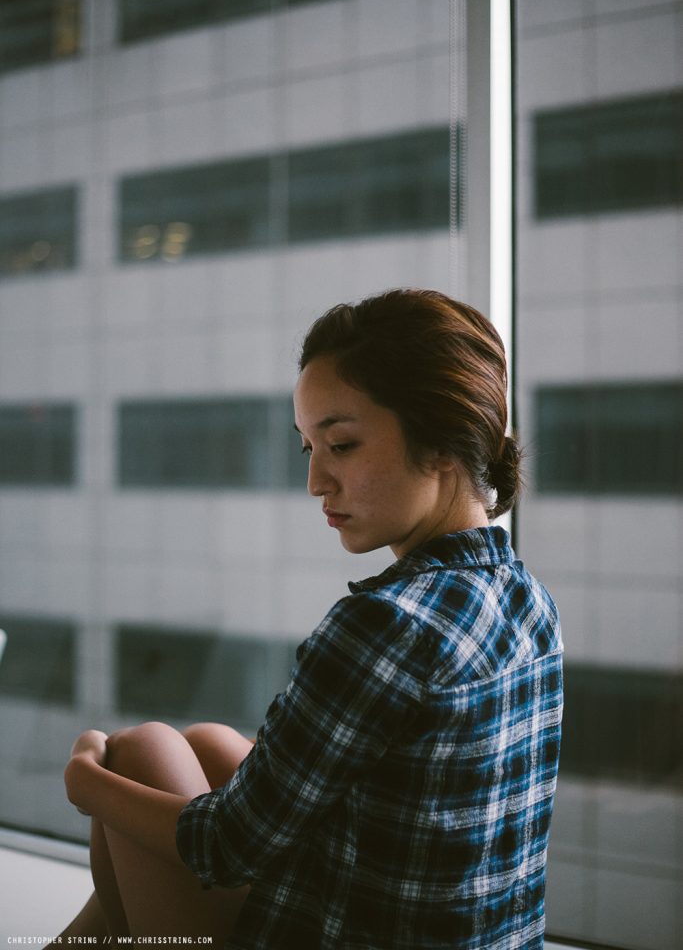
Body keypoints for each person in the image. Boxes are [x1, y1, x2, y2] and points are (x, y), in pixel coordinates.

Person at [59, 288, 563, 949]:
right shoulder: (525, 598)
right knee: (211, 744)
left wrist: (84, 781)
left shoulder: (388, 625)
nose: (316, 482)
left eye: (343, 445)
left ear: (441, 442)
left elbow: (227, 848)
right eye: (308, 449)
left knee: (138, 754)